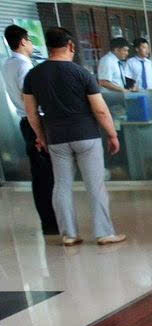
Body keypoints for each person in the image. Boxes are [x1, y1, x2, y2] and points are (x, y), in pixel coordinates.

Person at [22, 26, 125, 246]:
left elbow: (31, 114)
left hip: (56, 138)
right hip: (86, 135)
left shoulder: (33, 75)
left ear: (48, 46)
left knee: (61, 185)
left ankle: (69, 235)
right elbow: (100, 110)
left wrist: (42, 137)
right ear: (70, 45)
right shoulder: (81, 73)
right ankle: (104, 233)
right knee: (95, 185)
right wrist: (112, 134)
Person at [2, 24, 57, 236]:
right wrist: (40, 132)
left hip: (26, 121)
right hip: (35, 122)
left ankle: (48, 221)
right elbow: (30, 99)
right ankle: (51, 222)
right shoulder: (24, 67)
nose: (33, 46)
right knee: (46, 175)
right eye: (31, 41)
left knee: (40, 175)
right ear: (23, 41)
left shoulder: (8, 64)